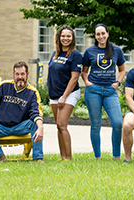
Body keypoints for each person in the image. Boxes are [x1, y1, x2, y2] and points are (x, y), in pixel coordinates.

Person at [0, 61, 44, 163]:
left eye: (22, 74)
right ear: (13, 74)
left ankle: (38, 158)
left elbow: (36, 112)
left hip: (20, 127)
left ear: (27, 74)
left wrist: (40, 128)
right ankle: (0, 157)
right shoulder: (3, 86)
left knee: (35, 124)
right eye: (17, 74)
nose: (20, 77)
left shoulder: (32, 92)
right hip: (1, 126)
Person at [81, 23, 126, 160]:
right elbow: (84, 71)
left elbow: (122, 70)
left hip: (110, 91)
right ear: (95, 36)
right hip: (93, 91)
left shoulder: (117, 50)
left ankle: (116, 156)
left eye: (103, 33)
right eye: (98, 34)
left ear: (107, 34)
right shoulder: (89, 51)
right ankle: (97, 157)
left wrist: (118, 83)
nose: (100, 36)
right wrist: (88, 83)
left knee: (118, 123)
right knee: (96, 124)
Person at [47, 25, 82, 160]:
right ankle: (62, 156)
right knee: (58, 126)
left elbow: (74, 78)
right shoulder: (55, 54)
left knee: (62, 124)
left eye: (68, 36)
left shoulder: (75, 55)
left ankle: (68, 158)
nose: (65, 38)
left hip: (69, 93)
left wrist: (64, 96)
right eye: (63, 36)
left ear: (72, 38)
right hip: (55, 94)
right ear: (58, 37)